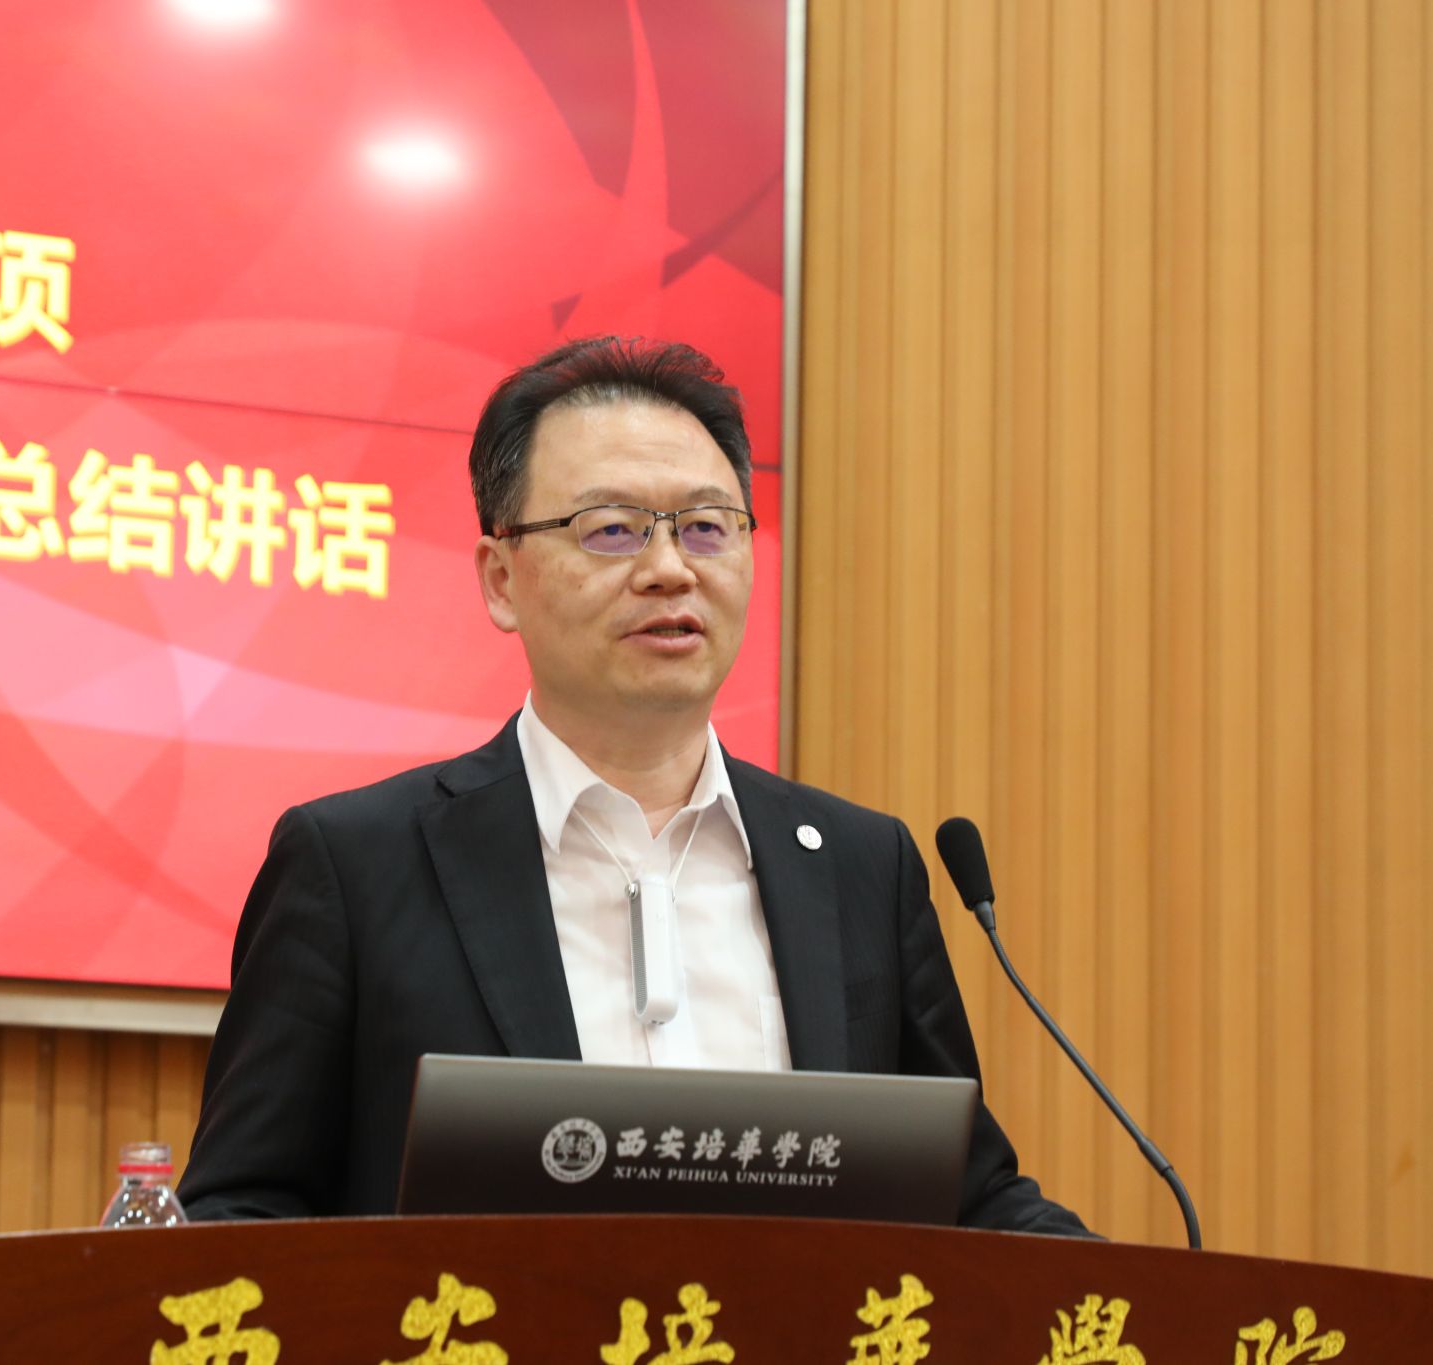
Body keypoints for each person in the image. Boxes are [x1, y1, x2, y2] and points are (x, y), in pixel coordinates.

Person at [177, 337, 1091, 1236]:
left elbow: (965, 1195)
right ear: (502, 580)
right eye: (612, 529)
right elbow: (238, 1213)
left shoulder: (862, 867)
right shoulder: (356, 868)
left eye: (706, 527)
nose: (669, 568)